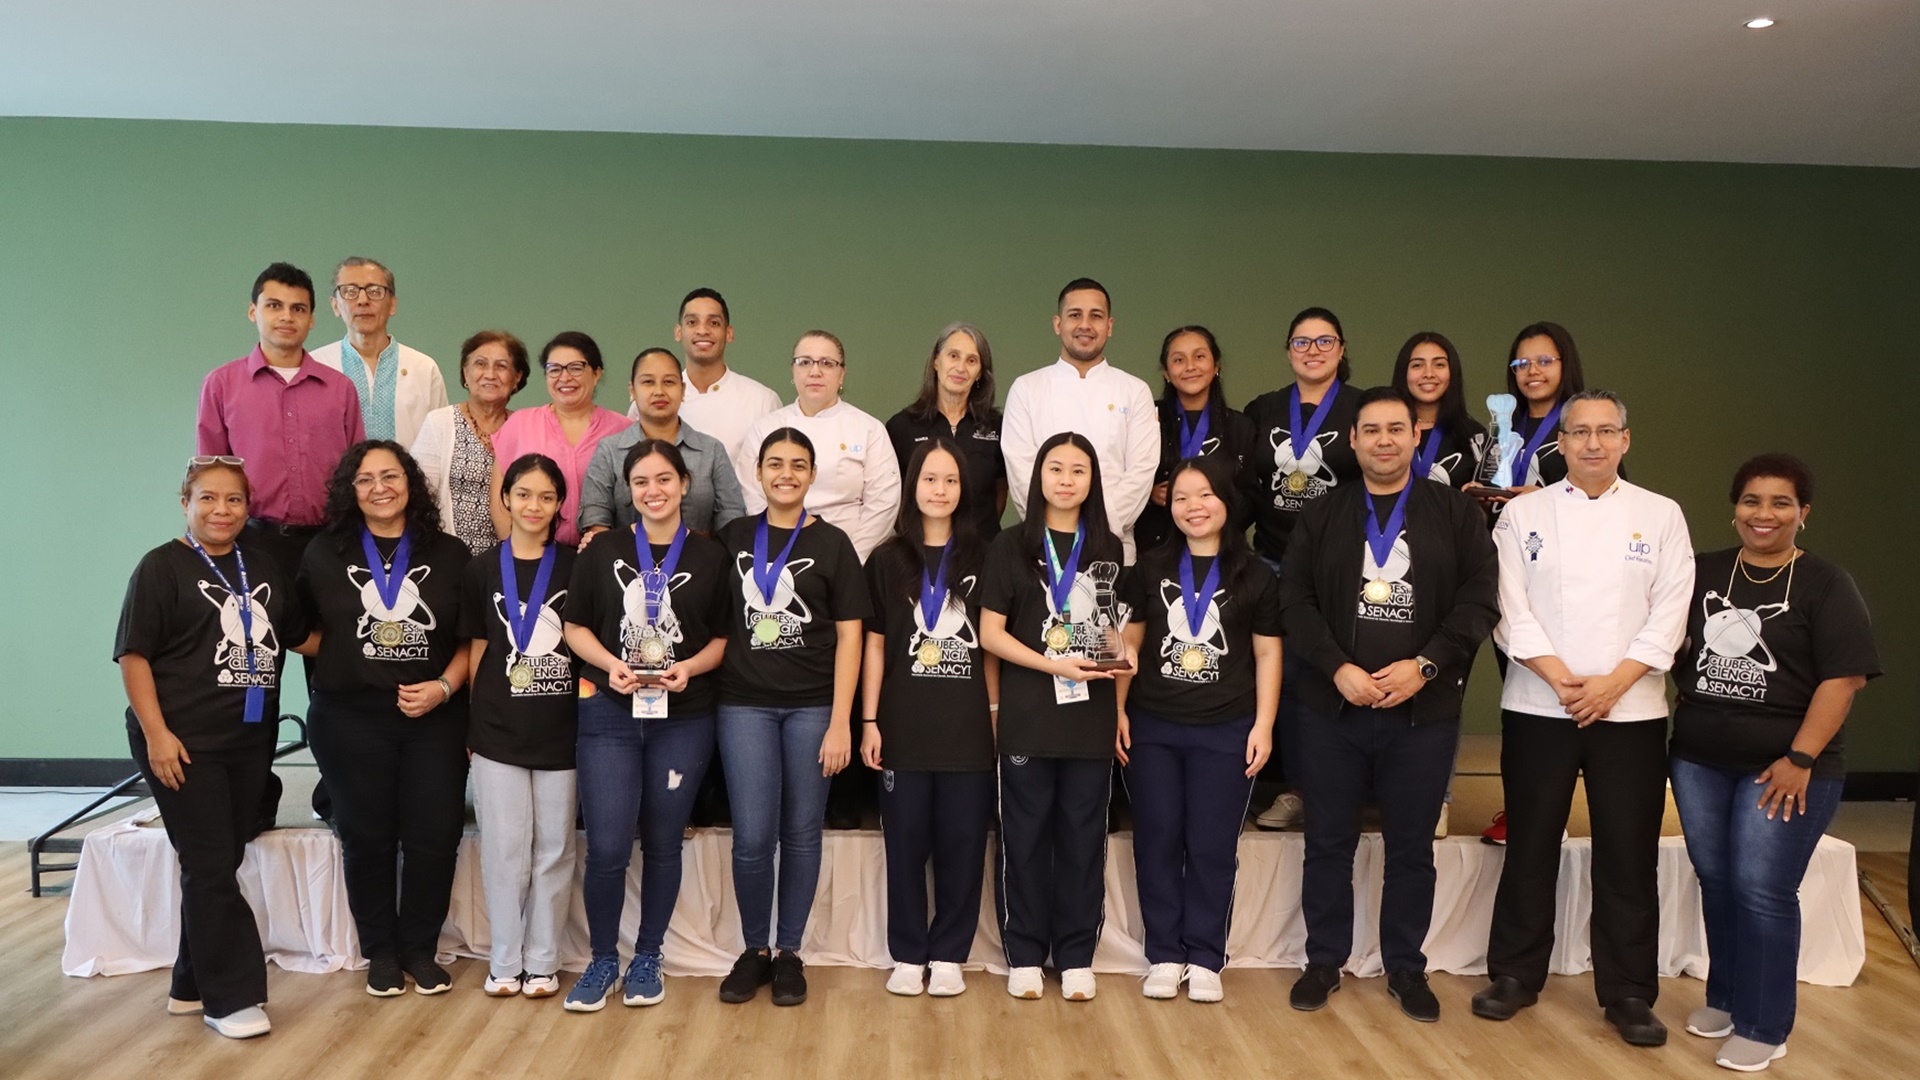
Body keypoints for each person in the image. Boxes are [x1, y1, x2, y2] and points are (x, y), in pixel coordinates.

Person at [1472, 390, 1693, 1047]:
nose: (1592, 443)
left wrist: (1615, 684)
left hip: (1632, 711)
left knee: (1628, 852)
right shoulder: (1524, 515)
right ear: (1560, 444)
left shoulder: (1661, 515)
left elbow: (1671, 611)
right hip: (1541, 703)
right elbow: (1507, 606)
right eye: (1579, 433)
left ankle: (1628, 990)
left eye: (1606, 432)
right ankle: (1514, 975)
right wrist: (1562, 679)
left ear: (1626, 440)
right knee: (1531, 842)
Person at [1276, 387, 1500, 1022]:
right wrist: (1336, 667)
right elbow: (1294, 599)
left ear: (1416, 438)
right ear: (1352, 441)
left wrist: (1425, 665)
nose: (1382, 440)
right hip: (1332, 708)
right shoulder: (1322, 514)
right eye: (1370, 430)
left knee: (1410, 848)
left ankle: (1406, 966)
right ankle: (1323, 960)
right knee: (1326, 842)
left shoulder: (1453, 515)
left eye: (1395, 429)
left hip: (1419, 712)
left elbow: (1480, 600)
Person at [1669, 454, 1879, 1072]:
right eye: (1752, 501)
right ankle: (1728, 998)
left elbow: (1844, 680)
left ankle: (1766, 1024)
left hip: (1787, 767)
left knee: (1763, 890)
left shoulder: (1826, 584)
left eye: (1780, 503)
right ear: (1735, 508)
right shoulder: (1703, 570)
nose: (1764, 515)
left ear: (1803, 514)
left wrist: (1799, 757)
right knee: (1717, 880)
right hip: (1699, 760)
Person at [113, 457, 312, 1040]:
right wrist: (157, 735)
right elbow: (134, 656)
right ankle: (232, 999)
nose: (220, 510)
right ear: (186, 503)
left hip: (248, 741)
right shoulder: (160, 567)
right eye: (207, 499)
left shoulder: (264, 566)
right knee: (207, 864)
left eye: (233, 500)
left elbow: (302, 638)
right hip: (182, 740)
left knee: (218, 861)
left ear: (248, 508)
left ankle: (189, 982)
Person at [562, 439, 732, 1011]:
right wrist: (610, 665)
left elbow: (721, 639)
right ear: (627, 491)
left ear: (685, 485)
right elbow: (574, 627)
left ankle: (649, 956)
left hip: (682, 718)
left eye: (664, 479)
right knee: (608, 845)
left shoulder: (710, 556)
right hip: (608, 712)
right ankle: (603, 959)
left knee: (662, 842)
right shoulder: (603, 547)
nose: (653, 491)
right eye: (640, 482)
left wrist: (689, 667)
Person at [297, 440, 472, 996]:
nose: (380, 487)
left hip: (434, 717)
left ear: (411, 483)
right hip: (350, 717)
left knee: (434, 835)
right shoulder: (325, 552)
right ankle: (379, 951)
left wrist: (444, 688)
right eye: (366, 478)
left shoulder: (449, 554)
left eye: (391, 476)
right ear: (351, 490)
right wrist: (350, 656)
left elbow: (473, 639)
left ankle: (419, 948)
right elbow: (299, 630)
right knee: (366, 836)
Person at [1115, 453, 1280, 1004]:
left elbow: (1266, 655)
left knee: (1211, 845)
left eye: (1205, 495)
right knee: (1158, 840)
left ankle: (1206, 956)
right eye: (1182, 497)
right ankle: (1164, 953)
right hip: (1154, 727)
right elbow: (1130, 644)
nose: (1193, 507)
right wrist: (1117, 709)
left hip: (1226, 730)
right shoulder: (1150, 568)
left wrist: (1264, 725)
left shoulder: (1256, 574)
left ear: (1227, 502)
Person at [714, 429, 869, 1007]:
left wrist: (841, 721)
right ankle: (755, 951)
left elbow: (851, 636)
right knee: (753, 836)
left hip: (813, 709)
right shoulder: (732, 538)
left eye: (798, 465)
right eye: (775, 464)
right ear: (758, 473)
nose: (786, 473)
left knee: (802, 833)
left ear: (812, 474)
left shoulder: (834, 545)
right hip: (744, 705)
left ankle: (790, 953)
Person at [981, 432, 1131, 1003]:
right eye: (1056, 468)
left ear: (1092, 481)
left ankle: (1074, 955)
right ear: (1037, 476)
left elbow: (1108, 631)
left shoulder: (1107, 547)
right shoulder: (1011, 546)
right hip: (1027, 714)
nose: (1066, 479)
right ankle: (1023, 953)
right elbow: (992, 634)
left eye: (1079, 470)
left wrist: (1123, 657)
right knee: (1022, 837)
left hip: (1087, 718)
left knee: (1082, 838)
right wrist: (1049, 662)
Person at [860, 438, 998, 999]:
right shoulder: (887, 558)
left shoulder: (987, 557)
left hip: (966, 727)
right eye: (929, 480)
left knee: (964, 842)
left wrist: (993, 714)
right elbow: (873, 645)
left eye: (950, 481)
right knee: (906, 843)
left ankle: (949, 954)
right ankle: (908, 952)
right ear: (912, 487)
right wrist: (869, 720)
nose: (939, 491)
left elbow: (991, 647)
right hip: (903, 725)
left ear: (964, 491)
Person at [458, 454, 578, 1000]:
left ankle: (544, 959)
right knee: (504, 847)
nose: (534, 506)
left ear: (559, 505)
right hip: (497, 730)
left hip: (563, 728)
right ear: (505, 499)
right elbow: (479, 649)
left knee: (554, 848)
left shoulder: (577, 565)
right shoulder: (482, 567)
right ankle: (505, 959)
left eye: (546, 497)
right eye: (523, 494)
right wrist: (471, 724)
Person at [1244, 307, 1361, 831]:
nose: (1312, 351)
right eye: (1301, 342)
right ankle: (1295, 791)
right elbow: (1245, 488)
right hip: (1273, 560)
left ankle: (1343, 790)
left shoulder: (1362, 407)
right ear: (1288, 350)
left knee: (1339, 671)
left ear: (1341, 349)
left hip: (1343, 565)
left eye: (1323, 341)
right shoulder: (1264, 408)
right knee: (1285, 679)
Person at [195, 262, 366, 581]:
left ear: (312, 320)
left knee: (325, 631)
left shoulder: (340, 389)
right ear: (253, 312)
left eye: (298, 308)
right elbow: (210, 476)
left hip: (329, 544)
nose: (287, 317)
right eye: (274, 306)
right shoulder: (221, 385)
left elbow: (357, 472)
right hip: (250, 541)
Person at [1000, 278, 1158, 562]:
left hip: (1114, 546)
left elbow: (1141, 472)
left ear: (1109, 326)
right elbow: (1021, 470)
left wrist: (1099, 530)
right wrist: (1057, 530)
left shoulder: (1135, 391)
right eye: (1075, 315)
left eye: (1095, 316)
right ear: (1057, 324)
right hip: (1041, 549)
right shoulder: (1026, 389)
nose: (1085, 324)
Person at [736, 330, 901, 562]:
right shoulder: (765, 429)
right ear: (793, 371)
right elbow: (752, 497)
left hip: (851, 556)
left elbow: (884, 502)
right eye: (804, 362)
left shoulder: (869, 429)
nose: (815, 371)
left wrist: (849, 560)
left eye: (827, 363)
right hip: (777, 556)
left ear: (842, 373)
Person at [580, 347, 745, 541]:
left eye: (669, 382)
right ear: (632, 390)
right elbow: (595, 514)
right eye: (648, 382)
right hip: (625, 566)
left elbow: (731, 516)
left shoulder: (711, 450)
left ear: (682, 390)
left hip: (702, 566)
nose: (659, 391)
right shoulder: (610, 450)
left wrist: (710, 559)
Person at [489, 332, 632, 548]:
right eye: (554, 369)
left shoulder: (623, 430)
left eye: (575, 367)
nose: (564, 378)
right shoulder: (520, 424)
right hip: (534, 557)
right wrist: (518, 553)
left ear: (596, 373)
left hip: (604, 554)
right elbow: (501, 498)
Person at [1133, 325, 1259, 552]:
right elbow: (1122, 479)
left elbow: (1251, 499)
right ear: (1165, 372)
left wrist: (1213, 501)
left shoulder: (1240, 426)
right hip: (1155, 548)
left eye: (1199, 357)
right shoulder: (1146, 418)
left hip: (1222, 553)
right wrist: (1148, 494)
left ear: (1216, 365)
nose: (1190, 367)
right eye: (1179, 360)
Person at [884, 322, 1008, 541]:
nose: (961, 368)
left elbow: (1000, 490)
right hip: (920, 556)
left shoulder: (998, 425)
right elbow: (893, 497)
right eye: (953, 356)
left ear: (979, 373)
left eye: (972, 360)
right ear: (935, 361)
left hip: (983, 553)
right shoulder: (901, 426)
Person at [412, 331, 531, 554]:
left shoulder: (525, 427)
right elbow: (419, 497)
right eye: (480, 364)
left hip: (510, 559)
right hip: (448, 557)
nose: (490, 374)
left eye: (502, 366)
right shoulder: (440, 423)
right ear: (465, 373)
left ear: (517, 378)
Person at [310, 257, 448, 448]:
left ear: (392, 304)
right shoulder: (315, 367)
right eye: (350, 292)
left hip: (409, 478)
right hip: (334, 479)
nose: (363, 300)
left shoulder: (423, 368)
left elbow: (440, 444)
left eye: (375, 292)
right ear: (335, 305)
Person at [644, 288, 782, 463]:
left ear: (729, 333)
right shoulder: (652, 399)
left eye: (714, 323)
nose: (702, 330)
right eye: (692, 322)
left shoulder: (762, 401)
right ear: (678, 332)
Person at [1468, 321, 1588, 503]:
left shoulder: (1585, 427)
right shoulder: (1503, 429)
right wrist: (1478, 501)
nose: (1533, 371)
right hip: (1502, 530)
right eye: (1522, 364)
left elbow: (1608, 499)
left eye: (1545, 361)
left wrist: (1544, 499)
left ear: (1566, 364)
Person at [1391, 332, 1488, 490]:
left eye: (1439, 365)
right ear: (1404, 373)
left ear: (1452, 372)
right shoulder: (1386, 433)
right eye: (1417, 365)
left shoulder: (1474, 436)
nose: (1429, 374)